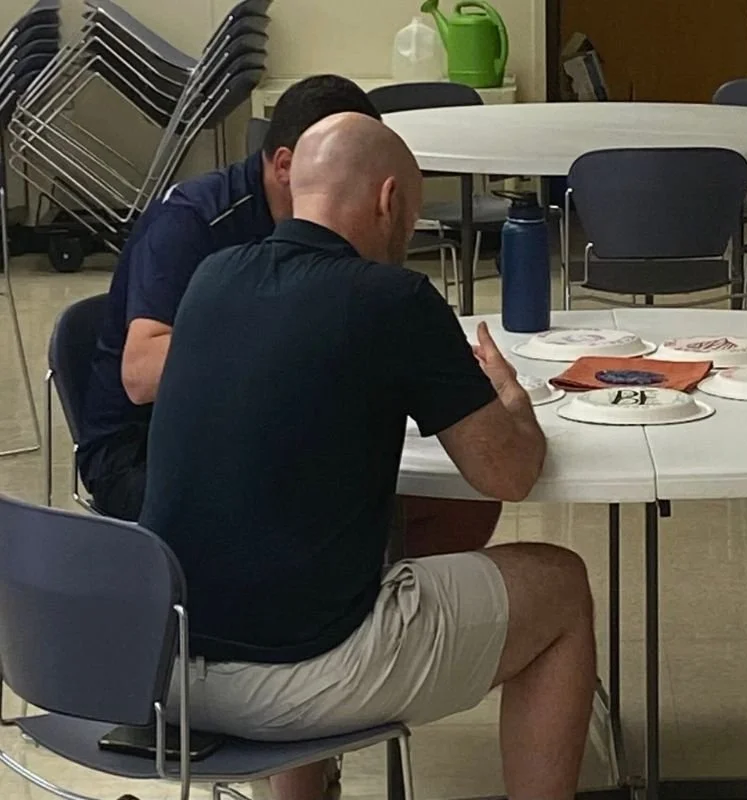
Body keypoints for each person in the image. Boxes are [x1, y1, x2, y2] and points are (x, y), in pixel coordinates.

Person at [144, 112, 596, 800]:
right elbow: (507, 474)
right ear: (390, 200)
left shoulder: (213, 277)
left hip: (165, 668)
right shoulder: (395, 298)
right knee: (560, 584)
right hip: (295, 681)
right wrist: (512, 399)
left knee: (304, 564)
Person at [76, 73, 500, 557]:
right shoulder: (192, 223)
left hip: (251, 424)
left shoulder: (323, 227)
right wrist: (278, 326)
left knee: (464, 503)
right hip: (144, 456)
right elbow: (139, 374)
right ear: (285, 166)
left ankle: (370, 593)